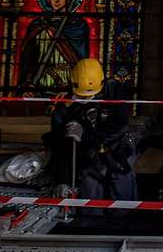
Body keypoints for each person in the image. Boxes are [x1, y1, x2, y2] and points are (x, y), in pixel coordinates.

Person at [46, 57, 137, 201]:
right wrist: (62, 180)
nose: (86, 99)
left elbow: (119, 127)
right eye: (81, 95)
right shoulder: (65, 106)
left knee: (123, 200)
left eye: (90, 95)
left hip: (118, 156)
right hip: (87, 162)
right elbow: (59, 145)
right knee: (91, 200)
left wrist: (85, 135)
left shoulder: (115, 92)